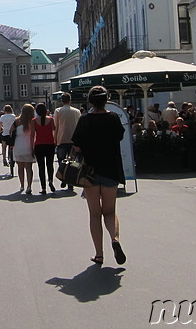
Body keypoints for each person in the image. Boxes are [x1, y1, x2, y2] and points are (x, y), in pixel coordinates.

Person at [71, 86, 127, 266]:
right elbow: (119, 137)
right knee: (110, 211)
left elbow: (77, 147)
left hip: (89, 172)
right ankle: (115, 240)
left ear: (90, 101)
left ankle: (99, 254)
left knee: (95, 214)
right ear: (107, 99)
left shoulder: (85, 119)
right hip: (111, 169)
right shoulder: (113, 118)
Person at [54, 92, 81, 191]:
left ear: (62, 101)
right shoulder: (77, 111)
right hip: (74, 140)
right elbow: (79, 126)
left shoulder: (58, 111)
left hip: (62, 138)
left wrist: (55, 139)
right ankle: (71, 180)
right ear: (70, 100)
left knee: (61, 160)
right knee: (73, 162)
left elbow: (55, 126)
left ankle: (63, 176)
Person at [11, 104, 36, 194]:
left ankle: (22, 185)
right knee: (29, 168)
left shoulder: (17, 121)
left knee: (20, 167)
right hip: (29, 145)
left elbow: (10, 130)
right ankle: (29, 186)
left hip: (18, 145)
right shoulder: (33, 121)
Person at [33, 103, 57, 195]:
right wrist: (55, 141)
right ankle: (50, 180)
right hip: (50, 144)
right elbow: (54, 129)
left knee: (41, 167)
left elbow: (32, 136)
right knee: (50, 165)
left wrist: (32, 148)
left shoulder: (34, 121)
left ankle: (43, 187)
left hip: (39, 145)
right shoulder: (50, 119)